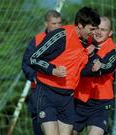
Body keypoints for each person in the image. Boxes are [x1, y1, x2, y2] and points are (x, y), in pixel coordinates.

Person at [26, 7, 100, 135]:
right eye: (91, 29)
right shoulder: (61, 35)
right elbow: (33, 58)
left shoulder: (88, 43)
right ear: (80, 26)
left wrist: (94, 67)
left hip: (67, 98)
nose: (94, 32)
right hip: (47, 93)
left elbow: (80, 70)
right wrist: (52, 70)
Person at [73, 17, 116, 135]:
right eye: (97, 28)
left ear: (110, 33)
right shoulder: (82, 43)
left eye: (103, 30)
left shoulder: (114, 51)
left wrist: (94, 57)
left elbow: (105, 67)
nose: (99, 32)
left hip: (101, 102)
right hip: (79, 99)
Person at [22, 10, 62, 135]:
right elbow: (26, 63)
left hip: (60, 92)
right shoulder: (37, 40)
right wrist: (34, 76)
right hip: (39, 92)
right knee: (39, 129)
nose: (57, 26)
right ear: (46, 24)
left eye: (59, 23)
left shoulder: (66, 39)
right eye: (54, 23)